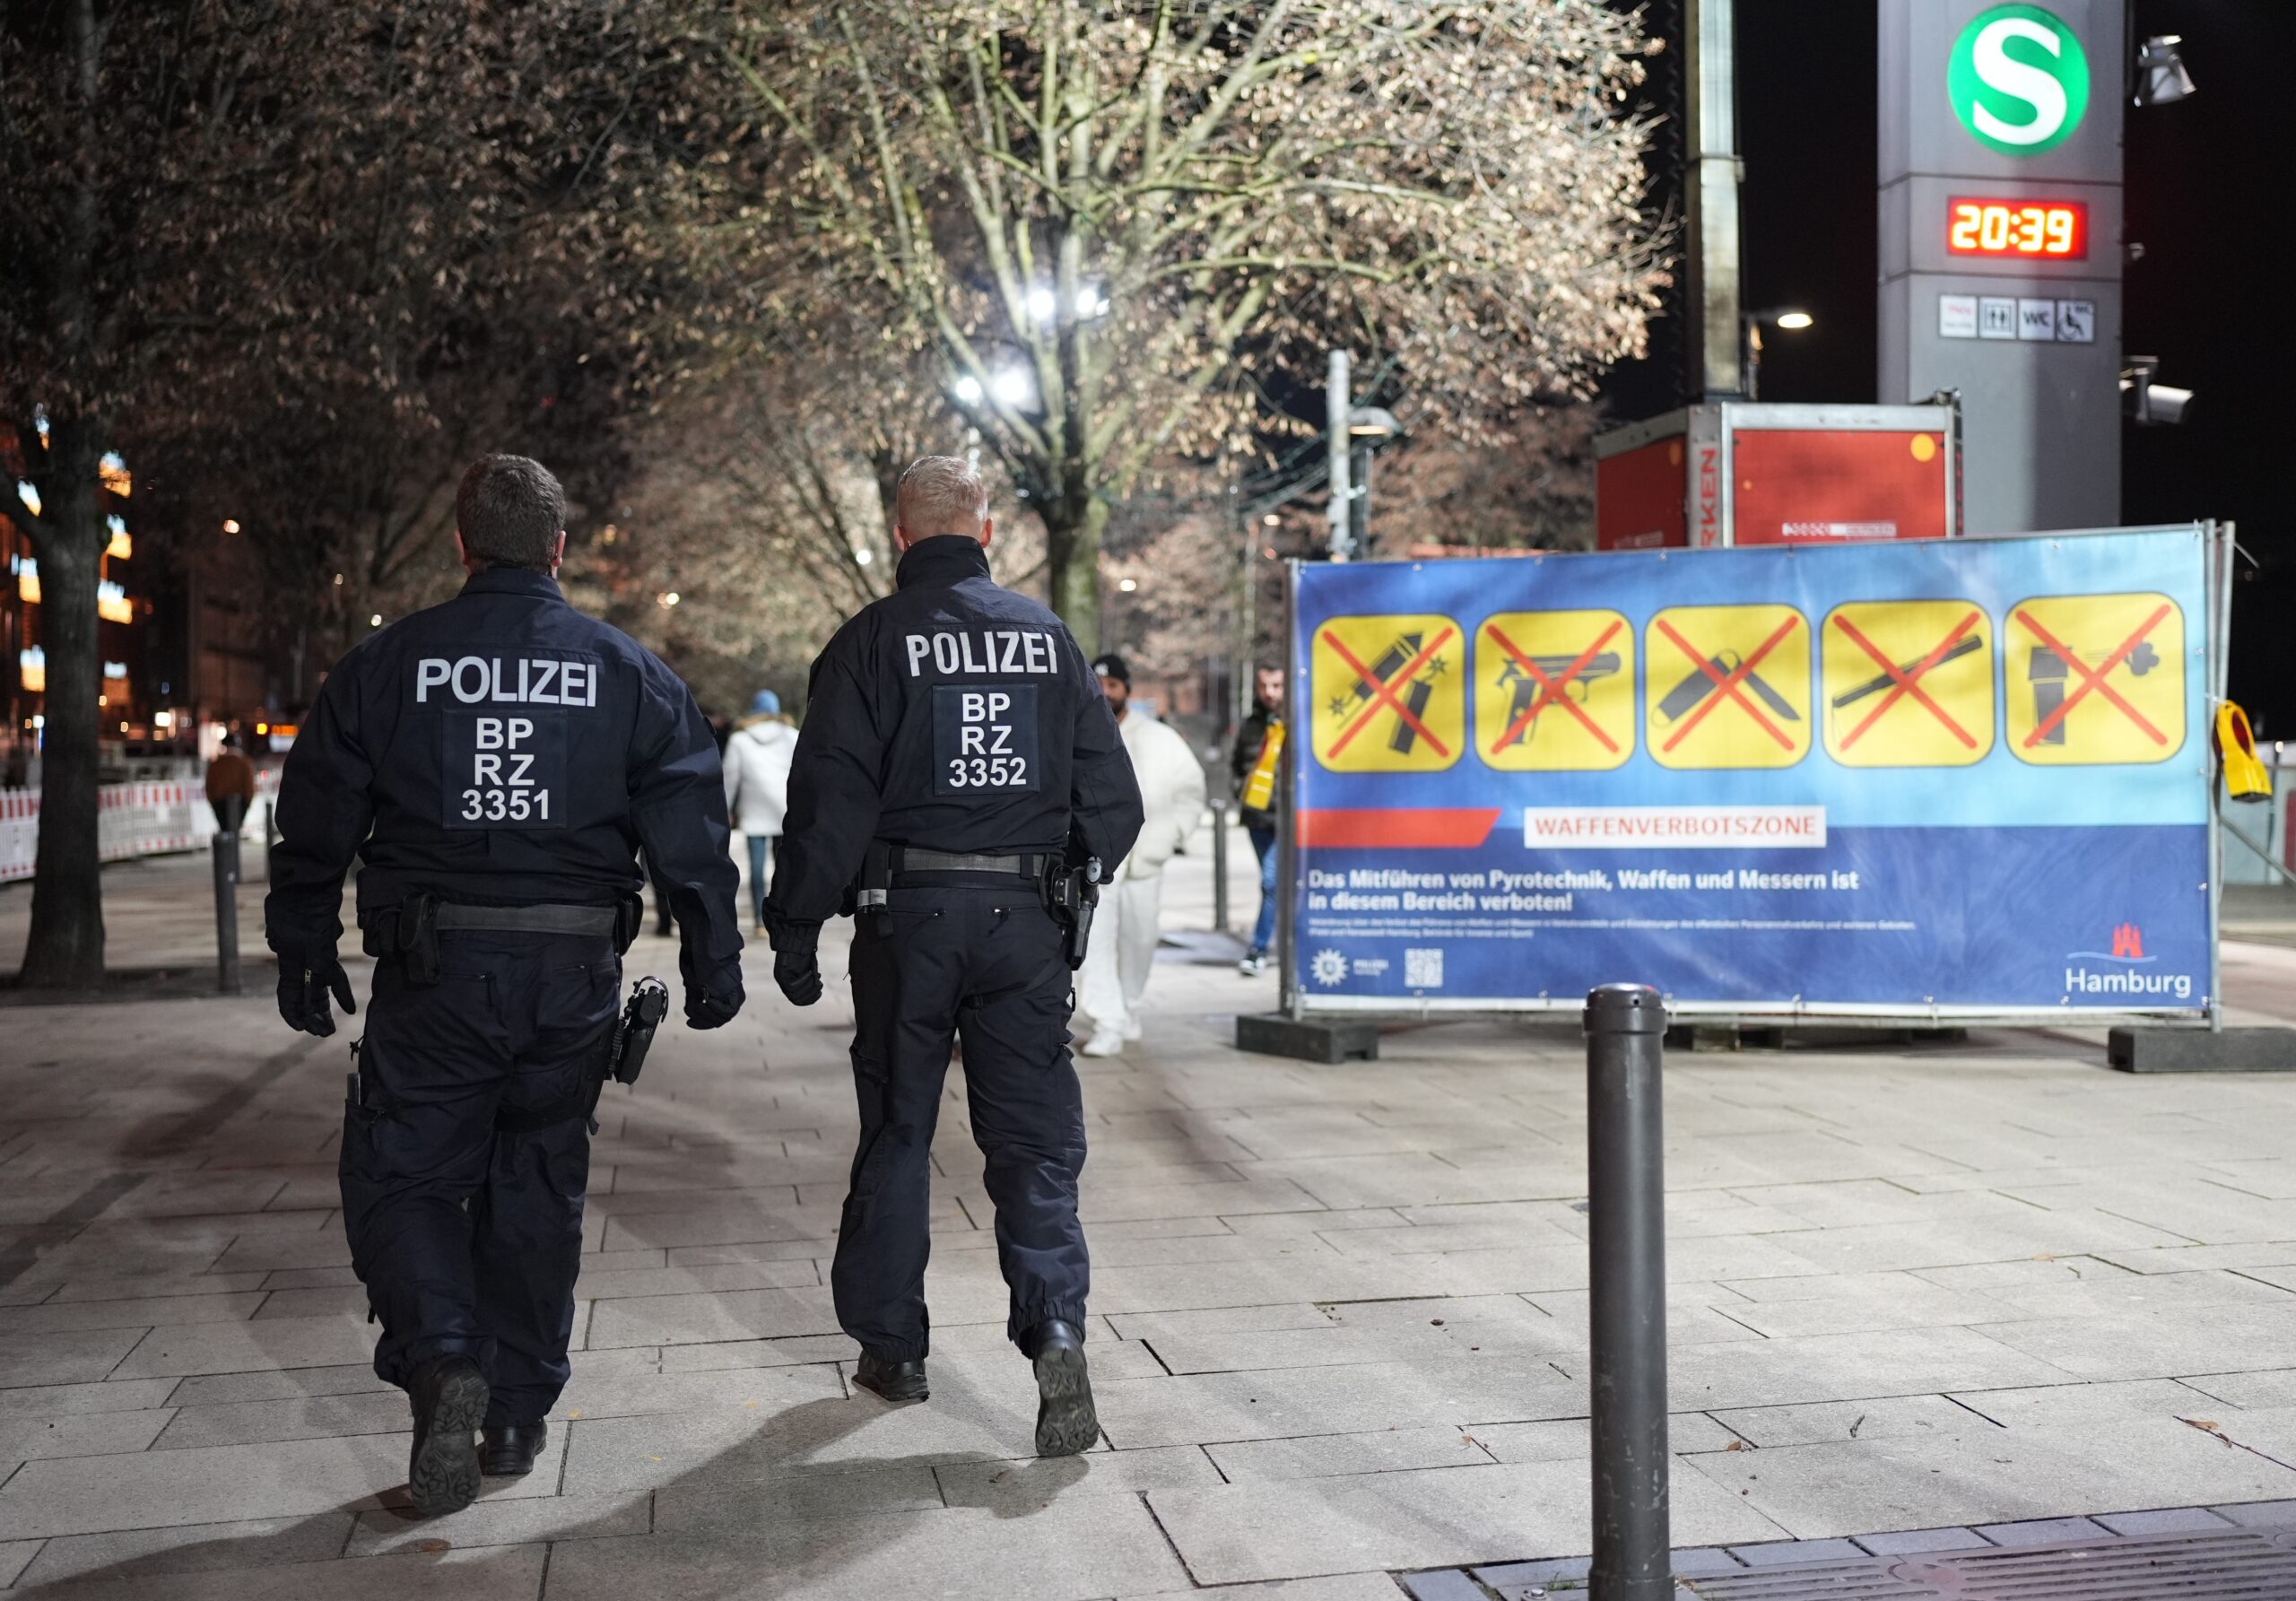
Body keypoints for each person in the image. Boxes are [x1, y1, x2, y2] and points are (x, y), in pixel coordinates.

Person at [265, 455, 744, 1517]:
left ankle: (444, 1362)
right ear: (560, 549)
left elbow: (318, 813)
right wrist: (716, 953)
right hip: (571, 975)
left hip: (435, 973)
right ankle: (520, 1413)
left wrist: (301, 939)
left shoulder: (389, 665)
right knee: (538, 1185)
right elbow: (688, 825)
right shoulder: (628, 672)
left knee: (405, 1177)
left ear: (462, 546)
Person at [765, 456, 1142, 1457]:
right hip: (1023, 923)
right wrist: (1068, 887)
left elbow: (829, 803)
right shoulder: (1047, 637)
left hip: (909, 918)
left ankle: (894, 1347)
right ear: (987, 529)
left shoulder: (868, 642)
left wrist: (797, 926)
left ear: (899, 535)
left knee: (896, 1132)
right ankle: (1055, 1326)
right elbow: (1112, 800)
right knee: (1033, 1145)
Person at [1077, 654, 1206, 1057]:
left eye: (1112, 685)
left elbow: (1191, 791)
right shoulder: (1077, 735)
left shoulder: (1159, 739)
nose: (1105, 692)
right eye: (1098, 685)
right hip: (1095, 862)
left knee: (1139, 942)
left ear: (1126, 690)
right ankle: (1108, 1020)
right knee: (1094, 942)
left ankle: (1128, 1008)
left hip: (1144, 863)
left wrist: (1169, 838)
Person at [723, 689, 799, 934]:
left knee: (756, 867)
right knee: (784, 865)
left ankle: (758, 920)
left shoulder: (740, 740)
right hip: (784, 807)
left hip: (754, 808)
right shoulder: (792, 736)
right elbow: (803, 773)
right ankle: (783, 914)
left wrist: (725, 808)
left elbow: (730, 777)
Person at [1231, 664, 1284, 975]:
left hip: (1286, 819)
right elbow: (1237, 762)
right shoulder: (1251, 724)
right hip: (1257, 817)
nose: (1269, 693)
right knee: (1273, 884)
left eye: (1276, 685)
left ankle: (1259, 947)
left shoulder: (1295, 720)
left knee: (1271, 880)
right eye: (1264, 686)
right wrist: (1240, 791)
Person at [204, 730, 257, 834]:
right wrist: (246, 804)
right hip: (240, 803)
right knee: (234, 833)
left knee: (225, 832)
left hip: (219, 803)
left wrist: (214, 803)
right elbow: (249, 787)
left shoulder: (215, 765)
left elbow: (209, 787)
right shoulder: (244, 764)